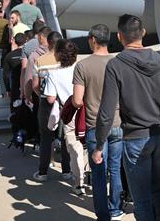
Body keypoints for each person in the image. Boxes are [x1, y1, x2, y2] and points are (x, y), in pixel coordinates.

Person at [94, 14, 160, 221]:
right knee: (159, 193)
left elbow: (106, 111)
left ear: (120, 36)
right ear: (143, 33)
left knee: (141, 200)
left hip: (135, 138)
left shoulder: (116, 65)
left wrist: (99, 145)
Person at [72, 24, 124, 220]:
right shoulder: (118, 62)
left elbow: (77, 100)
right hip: (118, 123)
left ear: (93, 39)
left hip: (95, 125)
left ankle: (103, 214)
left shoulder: (83, 66)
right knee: (116, 168)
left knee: (99, 172)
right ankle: (116, 208)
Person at [44, 39, 88, 194]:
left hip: (70, 113)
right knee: (89, 146)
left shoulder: (54, 73)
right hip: (88, 110)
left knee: (75, 149)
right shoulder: (83, 66)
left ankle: (79, 183)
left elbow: (50, 98)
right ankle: (89, 175)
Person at [33, 32, 73, 183]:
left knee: (45, 137)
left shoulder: (40, 60)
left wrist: (40, 95)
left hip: (46, 102)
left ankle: (43, 172)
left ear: (48, 43)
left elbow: (35, 85)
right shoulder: (65, 60)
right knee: (64, 137)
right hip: (64, 102)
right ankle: (66, 170)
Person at [2, 33, 27, 110]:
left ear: (15, 42)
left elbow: (5, 75)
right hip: (28, 85)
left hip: (15, 87)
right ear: (26, 41)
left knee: (16, 109)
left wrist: (8, 89)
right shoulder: (29, 53)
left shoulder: (9, 56)